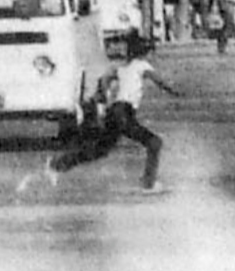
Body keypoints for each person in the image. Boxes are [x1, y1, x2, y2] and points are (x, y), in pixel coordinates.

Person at [23, 46, 182, 194]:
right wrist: (176, 92)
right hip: (124, 113)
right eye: (152, 54)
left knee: (100, 150)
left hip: (114, 112)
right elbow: (159, 81)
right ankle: (148, 184)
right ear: (147, 53)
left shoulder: (122, 67)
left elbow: (103, 80)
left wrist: (102, 97)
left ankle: (57, 165)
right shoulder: (142, 65)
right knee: (154, 143)